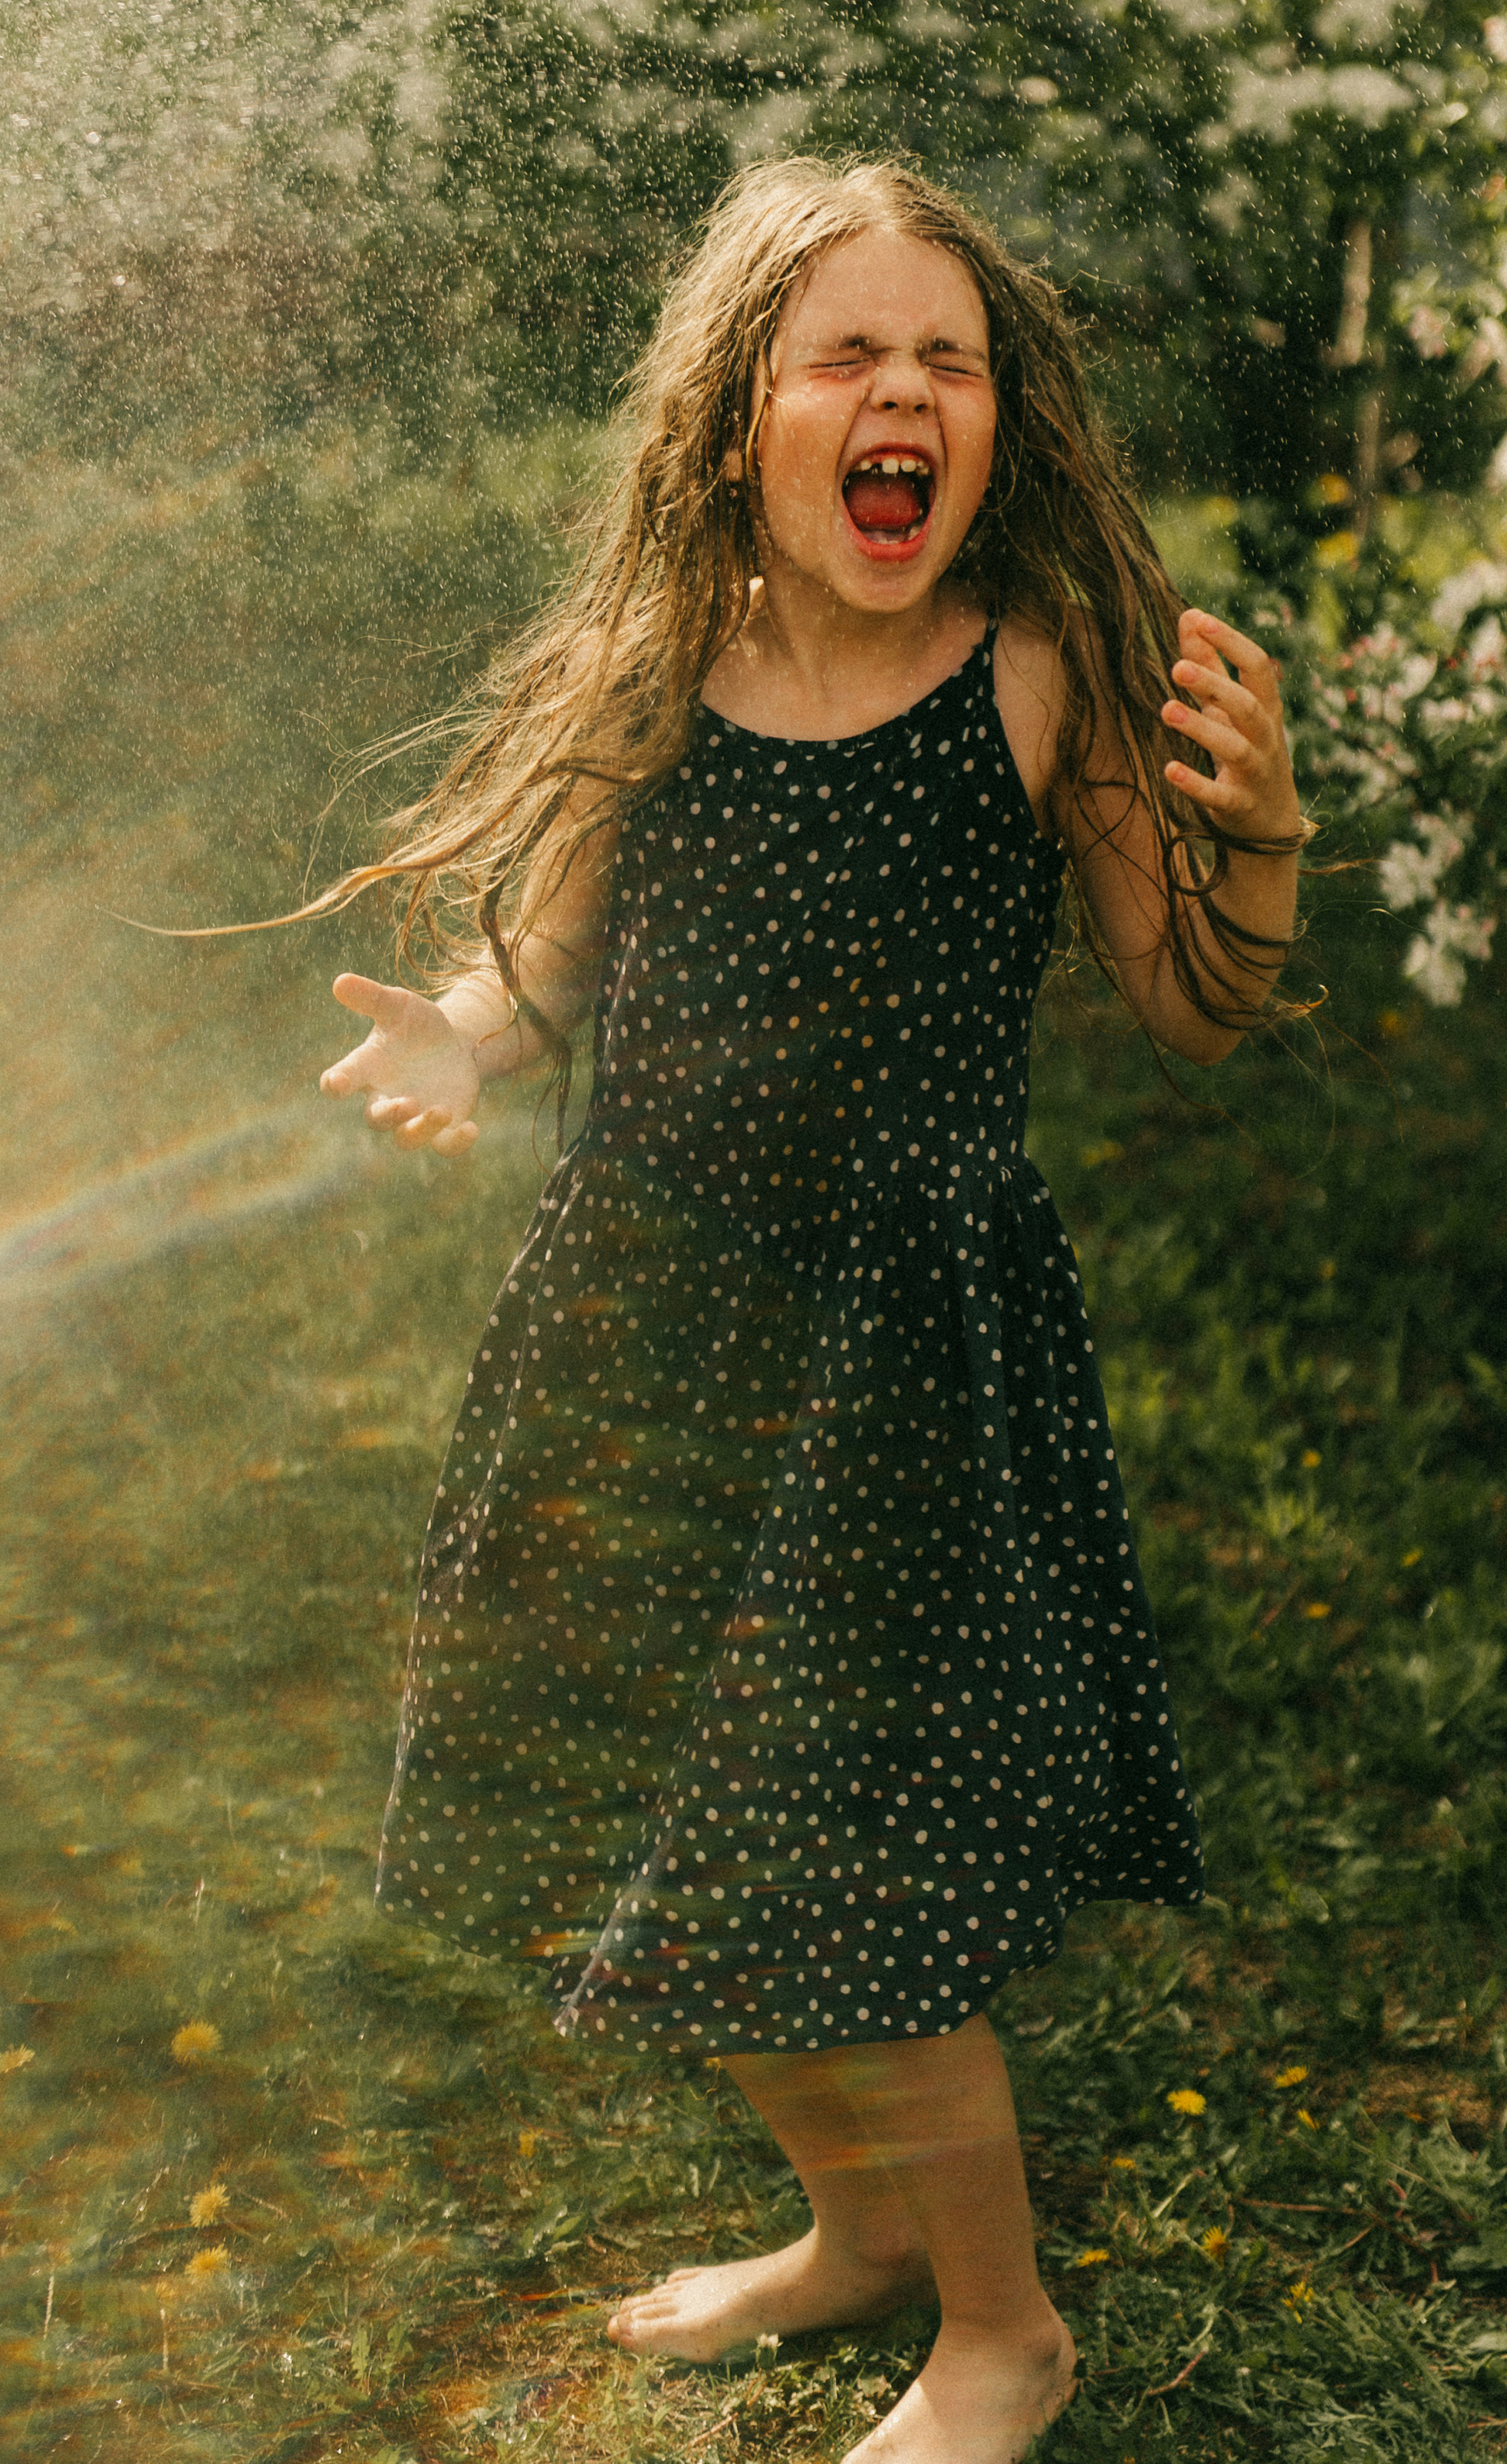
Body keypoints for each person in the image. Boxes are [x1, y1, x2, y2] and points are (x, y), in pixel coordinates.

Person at [313, 158, 1305, 2462]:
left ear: (1005, 417)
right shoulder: (664, 673)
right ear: (739, 411)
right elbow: (549, 957)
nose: (903, 391)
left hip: (901, 1366)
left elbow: (1196, 1005)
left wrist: (1257, 836)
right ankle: (854, 2234)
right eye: (848, 352)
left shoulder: (1041, 673)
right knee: (683, 1821)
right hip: (653, 1337)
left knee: (857, 1863)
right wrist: (460, 1032)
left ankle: (1000, 2326)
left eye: (947, 357)